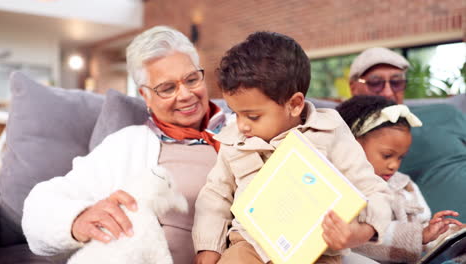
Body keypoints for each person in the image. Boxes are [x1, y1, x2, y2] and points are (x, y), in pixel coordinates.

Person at [21, 25, 229, 263]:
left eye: (192, 80)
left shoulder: (245, 132)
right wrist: (78, 219)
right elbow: (38, 207)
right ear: (145, 96)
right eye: (167, 88)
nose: (184, 95)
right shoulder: (127, 144)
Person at [192, 31, 393, 264]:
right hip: (249, 246)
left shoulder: (329, 131)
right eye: (235, 113)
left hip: (314, 253)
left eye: (253, 116)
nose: (241, 125)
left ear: (295, 104)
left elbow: (373, 191)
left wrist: (359, 233)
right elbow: (215, 197)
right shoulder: (233, 141)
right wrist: (208, 250)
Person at [336, 95, 464, 263]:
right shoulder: (343, 187)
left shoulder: (405, 185)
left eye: (400, 157)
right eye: (387, 155)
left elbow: (423, 228)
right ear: (353, 143)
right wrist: (419, 236)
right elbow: (360, 240)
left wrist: (443, 232)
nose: (394, 165)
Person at [348, 47, 466, 223]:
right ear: (354, 87)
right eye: (375, 82)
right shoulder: (346, 132)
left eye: (396, 82)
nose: (388, 92)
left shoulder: (445, 112)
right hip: (439, 239)